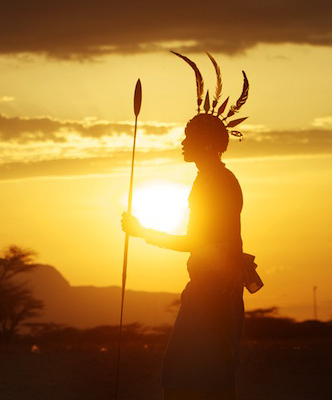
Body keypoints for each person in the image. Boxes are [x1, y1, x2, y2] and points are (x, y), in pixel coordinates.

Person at [122, 52, 250, 400]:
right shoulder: (209, 181)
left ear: (207, 144)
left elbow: (201, 241)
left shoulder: (218, 183)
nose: (182, 144)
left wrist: (144, 233)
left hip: (215, 293)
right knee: (193, 376)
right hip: (211, 288)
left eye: (188, 138)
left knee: (194, 379)